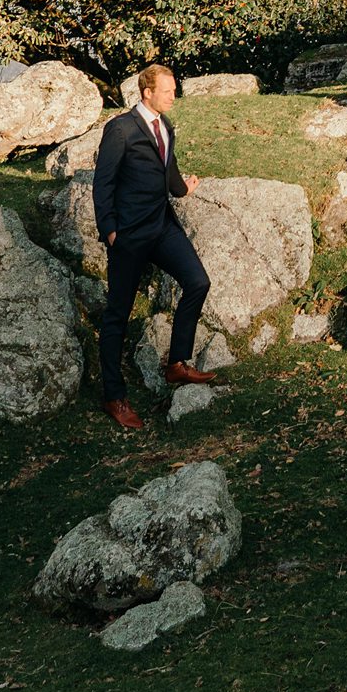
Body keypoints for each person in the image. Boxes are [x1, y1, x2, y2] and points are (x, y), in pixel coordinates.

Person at [93, 62, 217, 431]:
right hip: (129, 235)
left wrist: (183, 188)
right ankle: (115, 396)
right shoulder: (120, 129)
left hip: (163, 226)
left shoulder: (166, 125)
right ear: (147, 92)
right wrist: (110, 230)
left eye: (173, 89)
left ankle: (177, 364)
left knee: (198, 281)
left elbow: (168, 169)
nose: (172, 95)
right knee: (118, 314)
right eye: (167, 90)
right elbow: (103, 184)